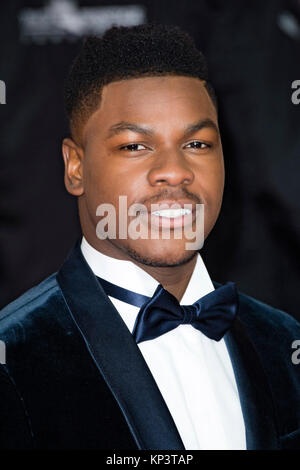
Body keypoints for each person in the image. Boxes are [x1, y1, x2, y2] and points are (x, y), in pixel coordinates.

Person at [0, 24, 299, 451]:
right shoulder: (14, 360)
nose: (175, 170)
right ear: (75, 167)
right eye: (135, 146)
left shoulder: (283, 341)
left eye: (197, 143)